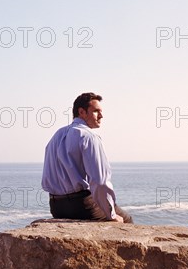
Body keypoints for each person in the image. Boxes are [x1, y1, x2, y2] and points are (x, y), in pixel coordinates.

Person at [41, 92, 132, 223]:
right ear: (82, 112)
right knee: (126, 220)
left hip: (56, 206)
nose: (101, 116)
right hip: (82, 206)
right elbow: (100, 182)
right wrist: (111, 214)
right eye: (96, 111)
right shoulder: (89, 137)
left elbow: (48, 177)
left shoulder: (56, 136)